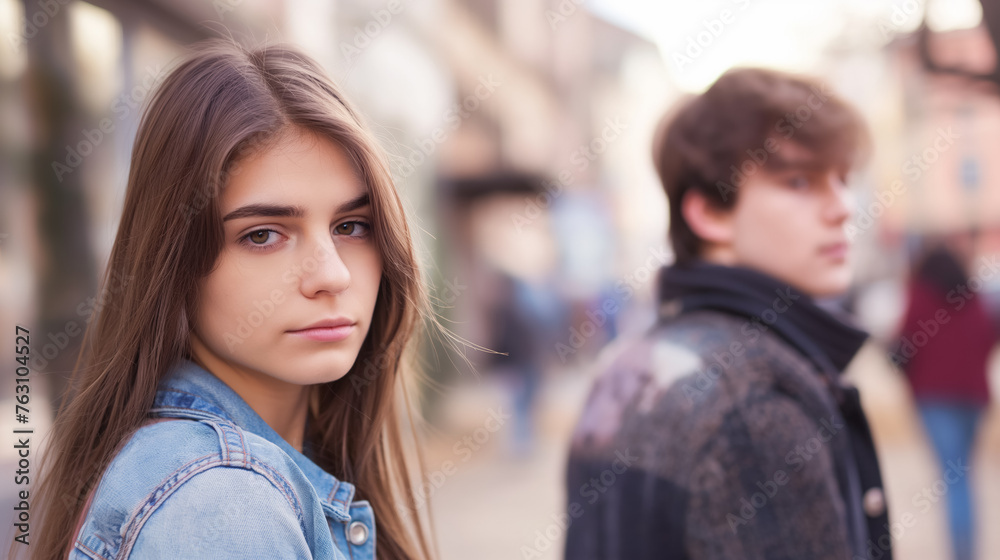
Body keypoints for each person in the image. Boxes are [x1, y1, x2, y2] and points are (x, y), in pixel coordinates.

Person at [19, 40, 436, 560]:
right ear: (174, 262)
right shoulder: (223, 510)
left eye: (351, 226)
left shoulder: (253, 474)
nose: (332, 275)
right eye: (263, 235)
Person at [563, 67, 892, 559]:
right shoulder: (755, 405)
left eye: (843, 180)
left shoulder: (624, 364)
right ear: (709, 213)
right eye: (800, 181)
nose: (843, 206)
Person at [892, 240, 996, 560]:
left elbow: (904, 344)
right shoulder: (972, 296)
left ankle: (963, 554)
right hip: (974, 398)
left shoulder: (919, 295)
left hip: (934, 398)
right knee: (962, 474)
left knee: (954, 478)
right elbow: (988, 337)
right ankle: (967, 550)